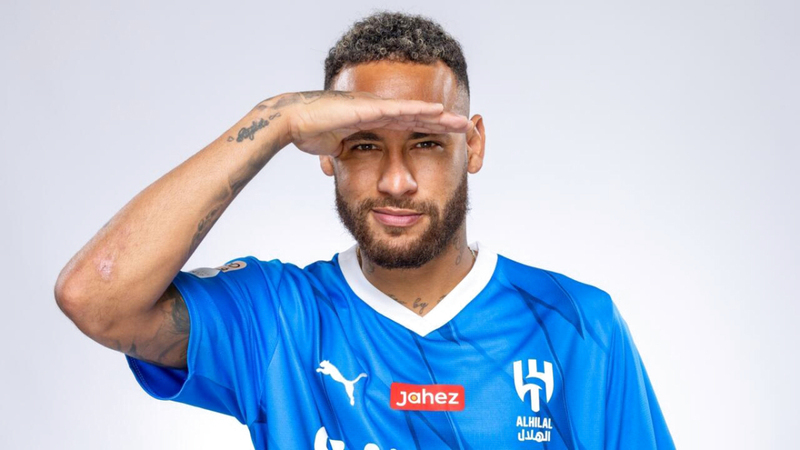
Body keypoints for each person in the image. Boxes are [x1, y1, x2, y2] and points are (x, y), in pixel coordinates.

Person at [54, 10, 674, 450]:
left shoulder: (577, 325)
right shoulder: (278, 318)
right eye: (365, 144)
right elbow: (95, 297)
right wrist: (274, 120)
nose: (396, 181)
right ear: (327, 152)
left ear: (474, 144)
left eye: (427, 143)